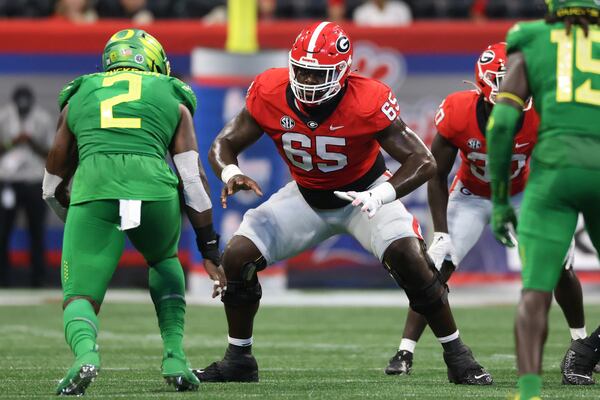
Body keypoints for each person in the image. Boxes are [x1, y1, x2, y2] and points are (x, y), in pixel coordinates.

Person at [193, 21, 492, 386]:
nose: (306, 80)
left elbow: (424, 161)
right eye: (301, 70)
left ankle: (458, 356)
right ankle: (238, 360)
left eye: (317, 74)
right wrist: (230, 173)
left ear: (342, 73)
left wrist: (380, 194)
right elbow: (223, 144)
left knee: (412, 260)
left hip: (363, 196)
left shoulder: (367, 99)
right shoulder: (270, 89)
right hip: (305, 195)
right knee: (237, 256)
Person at [386, 42, 590, 376]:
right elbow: (436, 175)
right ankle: (404, 352)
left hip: (525, 195)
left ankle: (581, 344)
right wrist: (440, 232)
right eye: (504, 80)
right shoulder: (458, 111)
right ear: (484, 82)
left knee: (558, 264)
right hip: (471, 195)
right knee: (434, 269)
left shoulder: (542, 113)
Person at [45, 28, 224, 395]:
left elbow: (51, 180)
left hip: (95, 188)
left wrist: (74, 215)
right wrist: (209, 248)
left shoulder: (78, 93)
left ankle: (85, 354)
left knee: (79, 294)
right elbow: (192, 179)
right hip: (154, 190)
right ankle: (174, 355)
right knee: (163, 260)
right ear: (153, 61)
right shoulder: (172, 95)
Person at [486, 1, 600, 398]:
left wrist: (500, 200)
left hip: (555, 169)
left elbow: (500, 126)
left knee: (535, 290)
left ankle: (530, 390)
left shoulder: (530, 36)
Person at [0, 85, 54, 288]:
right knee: (2, 232)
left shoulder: (43, 119)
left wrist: (31, 142)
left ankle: (38, 279)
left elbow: (50, 154)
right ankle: (3, 279)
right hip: (7, 182)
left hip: (33, 182)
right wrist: (12, 142)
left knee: (37, 232)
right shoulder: (4, 117)